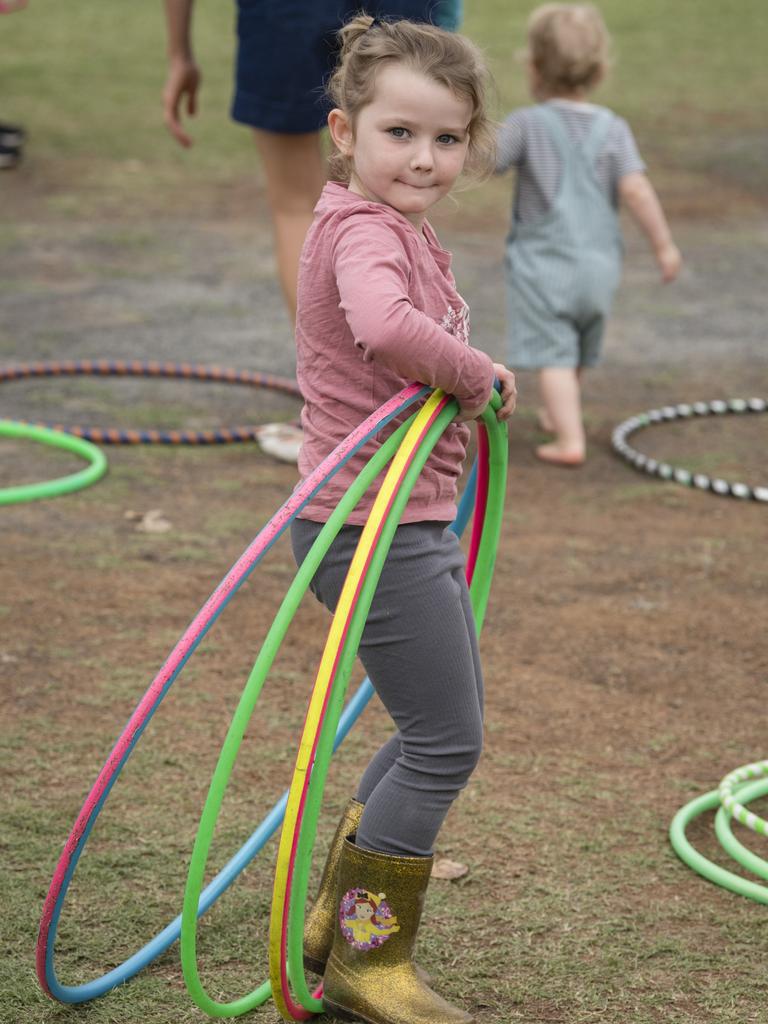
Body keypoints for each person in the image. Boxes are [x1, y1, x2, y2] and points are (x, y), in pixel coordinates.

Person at [289, 15, 516, 1024]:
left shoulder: (395, 225)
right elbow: (383, 327)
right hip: (369, 528)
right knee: (444, 742)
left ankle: (338, 922)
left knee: (435, 725)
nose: (425, 156)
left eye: (449, 138)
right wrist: (478, 376)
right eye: (400, 133)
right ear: (345, 129)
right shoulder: (368, 231)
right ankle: (366, 966)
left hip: (403, 521)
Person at [162, 1, 463, 322]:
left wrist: (180, 52)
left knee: (296, 205)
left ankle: (340, 363)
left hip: (285, 13)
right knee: (400, 193)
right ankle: (383, 354)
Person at [496, 2, 682, 466]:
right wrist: (664, 245)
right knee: (575, 346)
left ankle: (569, 440)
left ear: (534, 68)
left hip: (545, 266)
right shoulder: (614, 129)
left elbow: (488, 160)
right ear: (600, 71)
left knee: (554, 353)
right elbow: (636, 189)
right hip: (600, 266)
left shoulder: (526, 124)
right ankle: (562, 413)